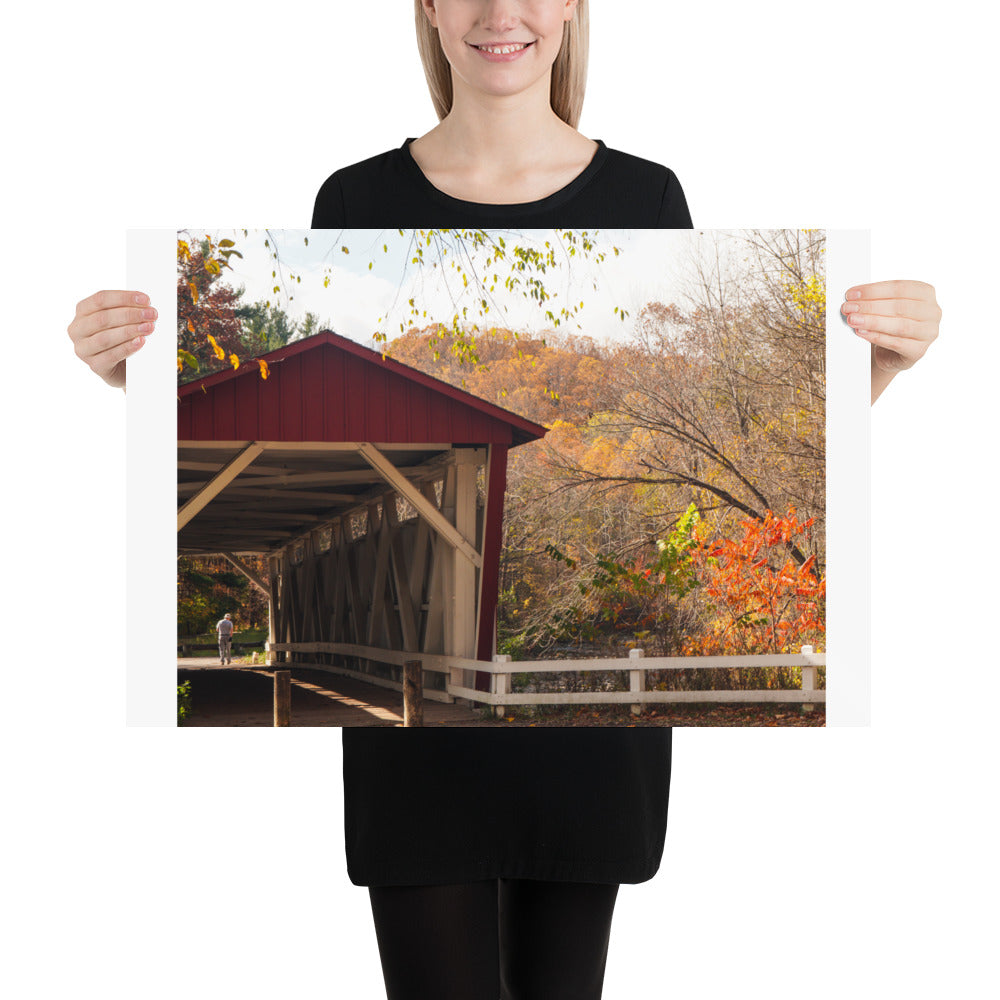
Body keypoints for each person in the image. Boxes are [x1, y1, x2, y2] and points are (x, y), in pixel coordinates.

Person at [66, 2, 940, 997]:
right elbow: (298, 414)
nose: (500, 12)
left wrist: (879, 372)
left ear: (571, 5)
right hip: (415, 761)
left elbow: (774, 456)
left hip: (589, 762)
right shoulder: (351, 198)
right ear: (429, 10)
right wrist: (130, 389)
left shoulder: (649, 195)